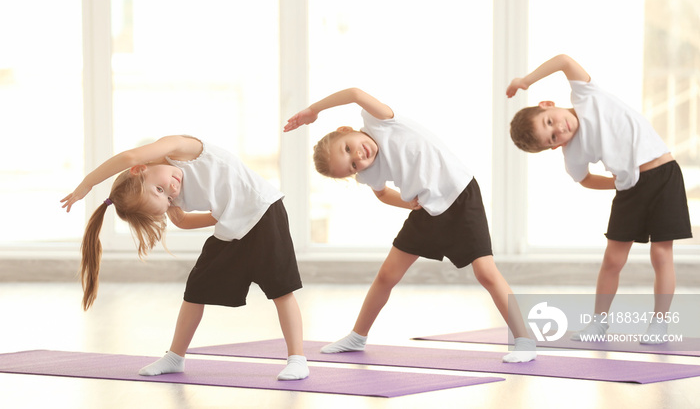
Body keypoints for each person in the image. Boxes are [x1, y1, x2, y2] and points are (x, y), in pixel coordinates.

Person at [284, 88, 536, 363]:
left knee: (486, 273)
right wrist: (410, 205)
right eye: (353, 165)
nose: (359, 157)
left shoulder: (381, 121)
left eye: (348, 148)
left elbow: (355, 93)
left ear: (346, 129)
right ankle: (357, 336)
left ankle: (524, 339)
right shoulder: (369, 172)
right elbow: (381, 194)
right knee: (387, 275)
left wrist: (314, 109)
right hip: (428, 207)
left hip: (460, 195)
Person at [61, 135, 309, 380]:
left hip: (264, 212)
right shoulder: (172, 192)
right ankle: (175, 357)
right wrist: (221, 213)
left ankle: (298, 360)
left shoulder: (181, 150)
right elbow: (182, 221)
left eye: (159, 189)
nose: (171, 192)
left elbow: (129, 156)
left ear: (139, 169)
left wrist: (88, 183)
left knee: (281, 290)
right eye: (166, 199)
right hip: (232, 225)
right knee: (196, 290)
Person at [507, 54, 692, 342]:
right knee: (612, 260)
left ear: (547, 105)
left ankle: (660, 324)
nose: (560, 130)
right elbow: (585, 180)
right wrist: (615, 183)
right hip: (630, 189)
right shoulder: (572, 154)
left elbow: (563, 61)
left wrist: (524, 81)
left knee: (661, 254)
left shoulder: (586, 95)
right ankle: (599, 322)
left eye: (550, 121)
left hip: (663, 174)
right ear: (553, 148)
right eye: (552, 138)